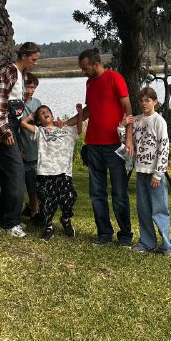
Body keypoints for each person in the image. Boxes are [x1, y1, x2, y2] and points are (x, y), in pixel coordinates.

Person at [66, 48, 134, 247]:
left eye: (85, 68)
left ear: (96, 64)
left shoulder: (114, 78)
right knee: (97, 193)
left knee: (119, 193)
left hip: (115, 146)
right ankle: (104, 233)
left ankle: (125, 236)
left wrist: (129, 140)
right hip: (93, 145)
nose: (83, 72)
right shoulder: (90, 83)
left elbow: (128, 109)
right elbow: (88, 111)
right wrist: (66, 123)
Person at [0, 42, 41, 238]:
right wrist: (5, 131)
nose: (36, 63)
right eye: (34, 59)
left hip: (12, 127)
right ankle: (10, 222)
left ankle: (7, 217)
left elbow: (17, 109)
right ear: (24, 56)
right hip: (2, 129)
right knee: (16, 173)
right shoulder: (9, 72)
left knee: (10, 173)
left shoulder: (23, 76)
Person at [20, 104, 83, 242]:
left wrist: (80, 113)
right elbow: (23, 123)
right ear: (38, 120)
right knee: (47, 201)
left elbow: (78, 130)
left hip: (64, 171)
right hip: (45, 172)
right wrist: (30, 117)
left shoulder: (65, 128)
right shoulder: (40, 131)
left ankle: (65, 220)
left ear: (52, 115)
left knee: (70, 197)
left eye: (47, 111)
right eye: (41, 113)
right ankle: (49, 227)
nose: (45, 113)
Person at [125, 87, 171, 256]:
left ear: (155, 102)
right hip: (141, 172)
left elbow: (164, 148)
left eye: (147, 100)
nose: (144, 103)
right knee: (143, 209)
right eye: (141, 100)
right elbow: (126, 145)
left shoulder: (158, 121)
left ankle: (167, 245)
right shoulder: (136, 120)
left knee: (159, 210)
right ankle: (147, 243)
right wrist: (122, 126)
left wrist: (158, 174)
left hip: (154, 174)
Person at [18, 72, 41, 223]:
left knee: (37, 183)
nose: (31, 90)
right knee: (29, 184)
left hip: (36, 148)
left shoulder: (37, 102)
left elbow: (42, 122)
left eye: (34, 87)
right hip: (23, 147)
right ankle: (33, 211)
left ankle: (34, 209)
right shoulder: (17, 103)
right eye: (29, 87)